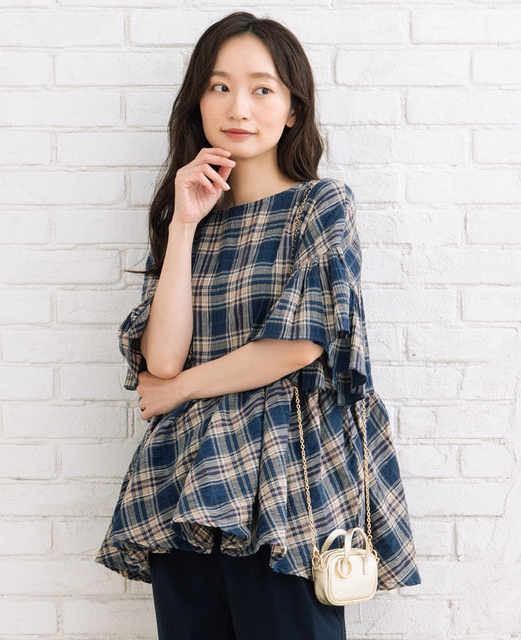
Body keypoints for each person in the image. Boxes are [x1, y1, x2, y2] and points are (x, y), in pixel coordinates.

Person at [95, 11, 421, 640]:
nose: (237, 107)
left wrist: (181, 389)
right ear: (198, 102)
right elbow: (161, 360)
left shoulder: (319, 205)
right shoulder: (187, 221)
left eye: (261, 88)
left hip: (287, 483)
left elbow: (297, 346)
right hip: (186, 481)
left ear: (293, 109)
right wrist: (183, 225)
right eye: (219, 86)